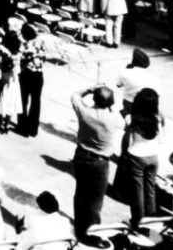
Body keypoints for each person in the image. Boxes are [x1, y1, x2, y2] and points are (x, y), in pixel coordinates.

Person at [71, 85, 122, 246]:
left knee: (80, 194)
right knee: (95, 201)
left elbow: (75, 93)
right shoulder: (113, 119)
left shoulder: (85, 113)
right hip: (100, 162)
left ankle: (80, 228)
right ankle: (92, 234)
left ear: (94, 99)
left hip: (81, 156)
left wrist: (90, 89)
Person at [117, 87, 163, 229]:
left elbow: (125, 128)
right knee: (150, 190)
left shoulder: (132, 118)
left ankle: (137, 222)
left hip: (137, 156)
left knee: (137, 193)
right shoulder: (157, 119)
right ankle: (151, 220)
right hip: (153, 156)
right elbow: (161, 138)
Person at [0, 30, 22, 134]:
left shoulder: (2, 50)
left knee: (1, 99)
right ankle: (6, 125)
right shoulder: (18, 54)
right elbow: (18, 69)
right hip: (13, 79)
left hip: (3, 76)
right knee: (11, 101)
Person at [18, 24, 46, 137]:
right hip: (38, 75)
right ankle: (33, 129)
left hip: (26, 74)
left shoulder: (24, 45)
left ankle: (22, 127)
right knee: (36, 102)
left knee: (23, 100)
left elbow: (20, 58)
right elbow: (44, 56)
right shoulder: (40, 41)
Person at [116, 49, 153, 115]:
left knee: (128, 119)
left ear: (133, 61)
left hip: (129, 102)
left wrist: (127, 70)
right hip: (145, 104)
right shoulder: (152, 77)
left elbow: (118, 85)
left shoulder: (125, 72)